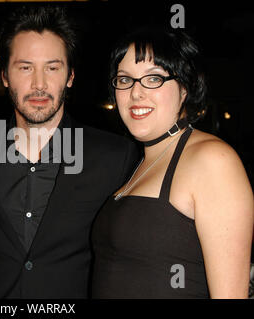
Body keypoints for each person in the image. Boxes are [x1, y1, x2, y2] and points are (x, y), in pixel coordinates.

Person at [0, 6, 139, 298]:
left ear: (70, 76)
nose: (39, 84)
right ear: (4, 76)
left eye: (52, 68)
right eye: (25, 67)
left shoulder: (116, 158)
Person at [91, 27, 254, 298]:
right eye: (125, 79)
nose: (136, 93)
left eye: (153, 78)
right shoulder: (138, 163)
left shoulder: (212, 160)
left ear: (185, 88)